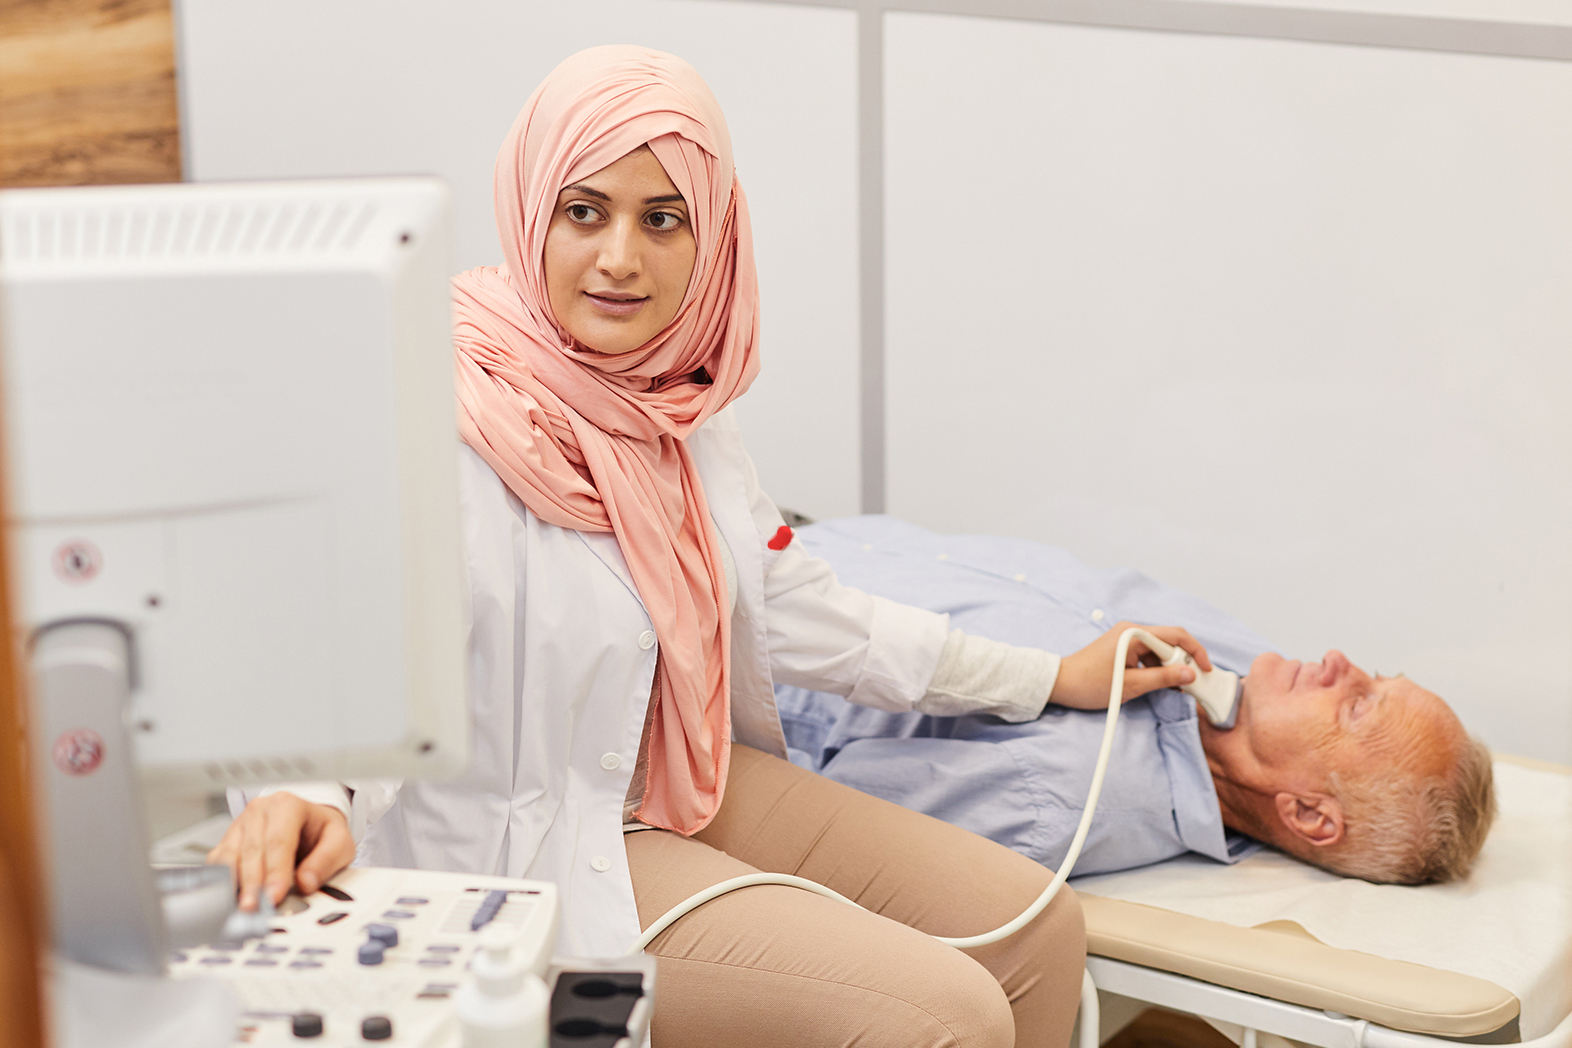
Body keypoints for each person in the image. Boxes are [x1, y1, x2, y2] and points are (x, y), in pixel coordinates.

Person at [206, 46, 1218, 1048]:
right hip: (536, 845)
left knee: (1040, 931)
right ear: (531, 210)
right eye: (583, 211)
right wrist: (305, 798)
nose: (618, 259)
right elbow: (351, 655)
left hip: (672, 784)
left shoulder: (674, 406)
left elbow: (800, 609)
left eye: (663, 219)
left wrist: (1051, 675)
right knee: (944, 1017)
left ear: (713, 235)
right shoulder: (443, 416)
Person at [775, 516, 1497, 886]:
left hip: (710, 606)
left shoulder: (1054, 796)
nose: (1340, 662)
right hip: (780, 531)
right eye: (1373, 675)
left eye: (1358, 705)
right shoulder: (1240, 666)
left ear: (1308, 812)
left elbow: (799, 820)